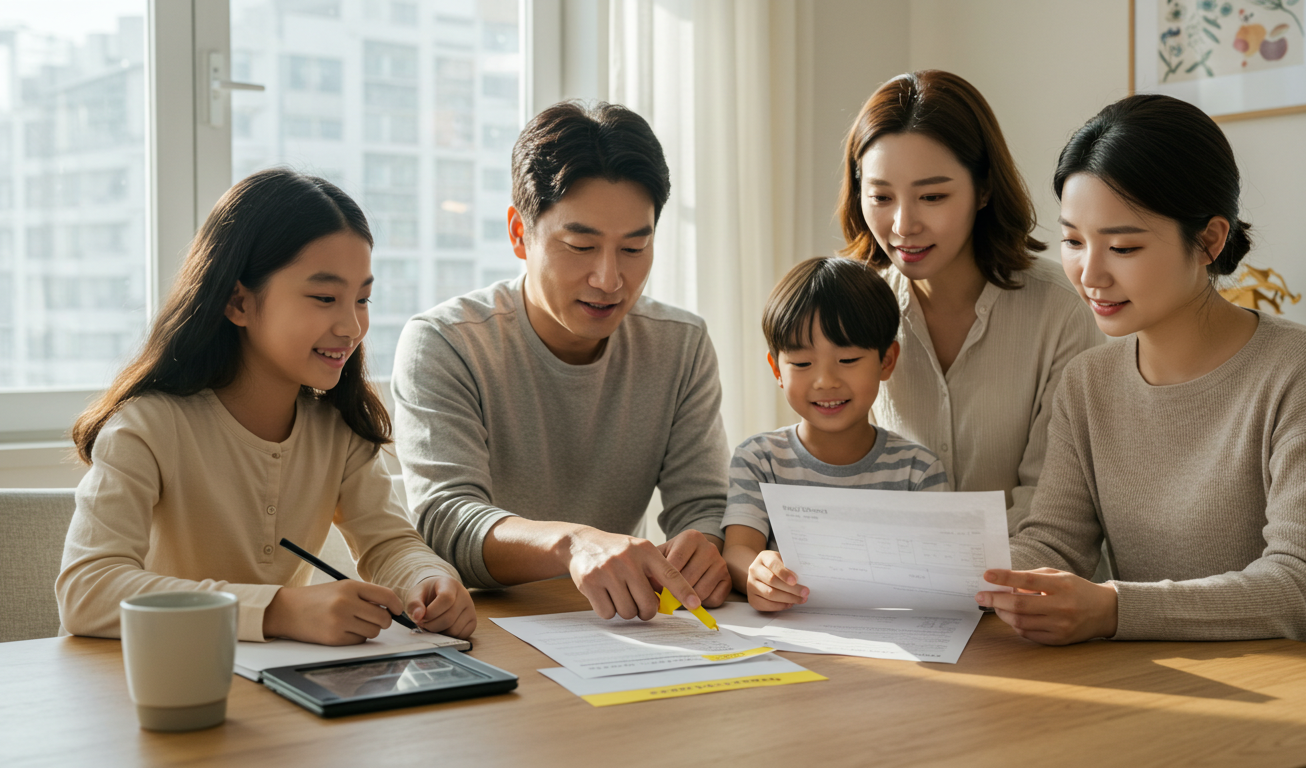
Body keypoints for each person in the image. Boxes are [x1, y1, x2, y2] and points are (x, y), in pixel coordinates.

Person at [979, 95, 1306, 651]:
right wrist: (964, 578)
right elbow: (1055, 546)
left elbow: (1300, 589)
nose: (1089, 274)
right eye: (1073, 241)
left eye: (1122, 246)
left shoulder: (1304, 368)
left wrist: (1114, 609)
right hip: (1161, 674)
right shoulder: (1087, 383)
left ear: (1209, 240)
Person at [58, 169, 476, 645]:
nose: (351, 327)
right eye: (325, 297)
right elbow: (87, 590)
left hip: (276, 681)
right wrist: (277, 610)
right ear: (237, 302)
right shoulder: (147, 427)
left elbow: (389, 543)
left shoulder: (337, 430)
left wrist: (428, 579)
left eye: (362, 299)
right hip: (152, 676)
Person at [393, 101, 731, 621]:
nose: (609, 279)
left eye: (634, 249)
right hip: (485, 625)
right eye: (579, 245)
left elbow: (704, 507)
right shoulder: (446, 343)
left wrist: (703, 547)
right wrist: (572, 544)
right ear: (518, 232)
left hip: (619, 624)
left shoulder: (680, 345)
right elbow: (446, 521)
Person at [839, 70, 1106, 533]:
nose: (903, 225)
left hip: (1026, 571)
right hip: (896, 572)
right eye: (881, 196)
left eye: (932, 196)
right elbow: (832, 465)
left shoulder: (1062, 309)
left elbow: (1050, 504)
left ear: (983, 189)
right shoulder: (850, 308)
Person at [721, 257, 949, 612]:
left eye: (848, 360)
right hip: (788, 631)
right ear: (776, 369)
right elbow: (737, 550)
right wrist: (757, 572)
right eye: (802, 364)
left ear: (886, 361)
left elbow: (938, 570)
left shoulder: (917, 470)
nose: (825, 381)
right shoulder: (759, 459)